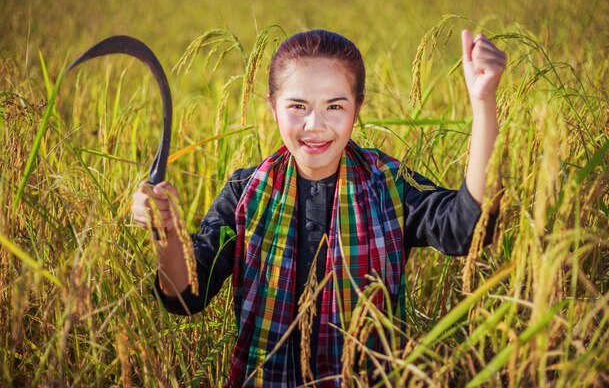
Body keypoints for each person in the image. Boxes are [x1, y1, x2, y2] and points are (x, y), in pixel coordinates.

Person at [131, 29, 506, 387]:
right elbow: (185, 296)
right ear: (273, 107)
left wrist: (483, 103)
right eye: (298, 105)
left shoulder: (390, 185)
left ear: (357, 108)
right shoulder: (245, 194)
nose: (315, 125)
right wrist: (164, 229)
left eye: (334, 106)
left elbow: (467, 229)